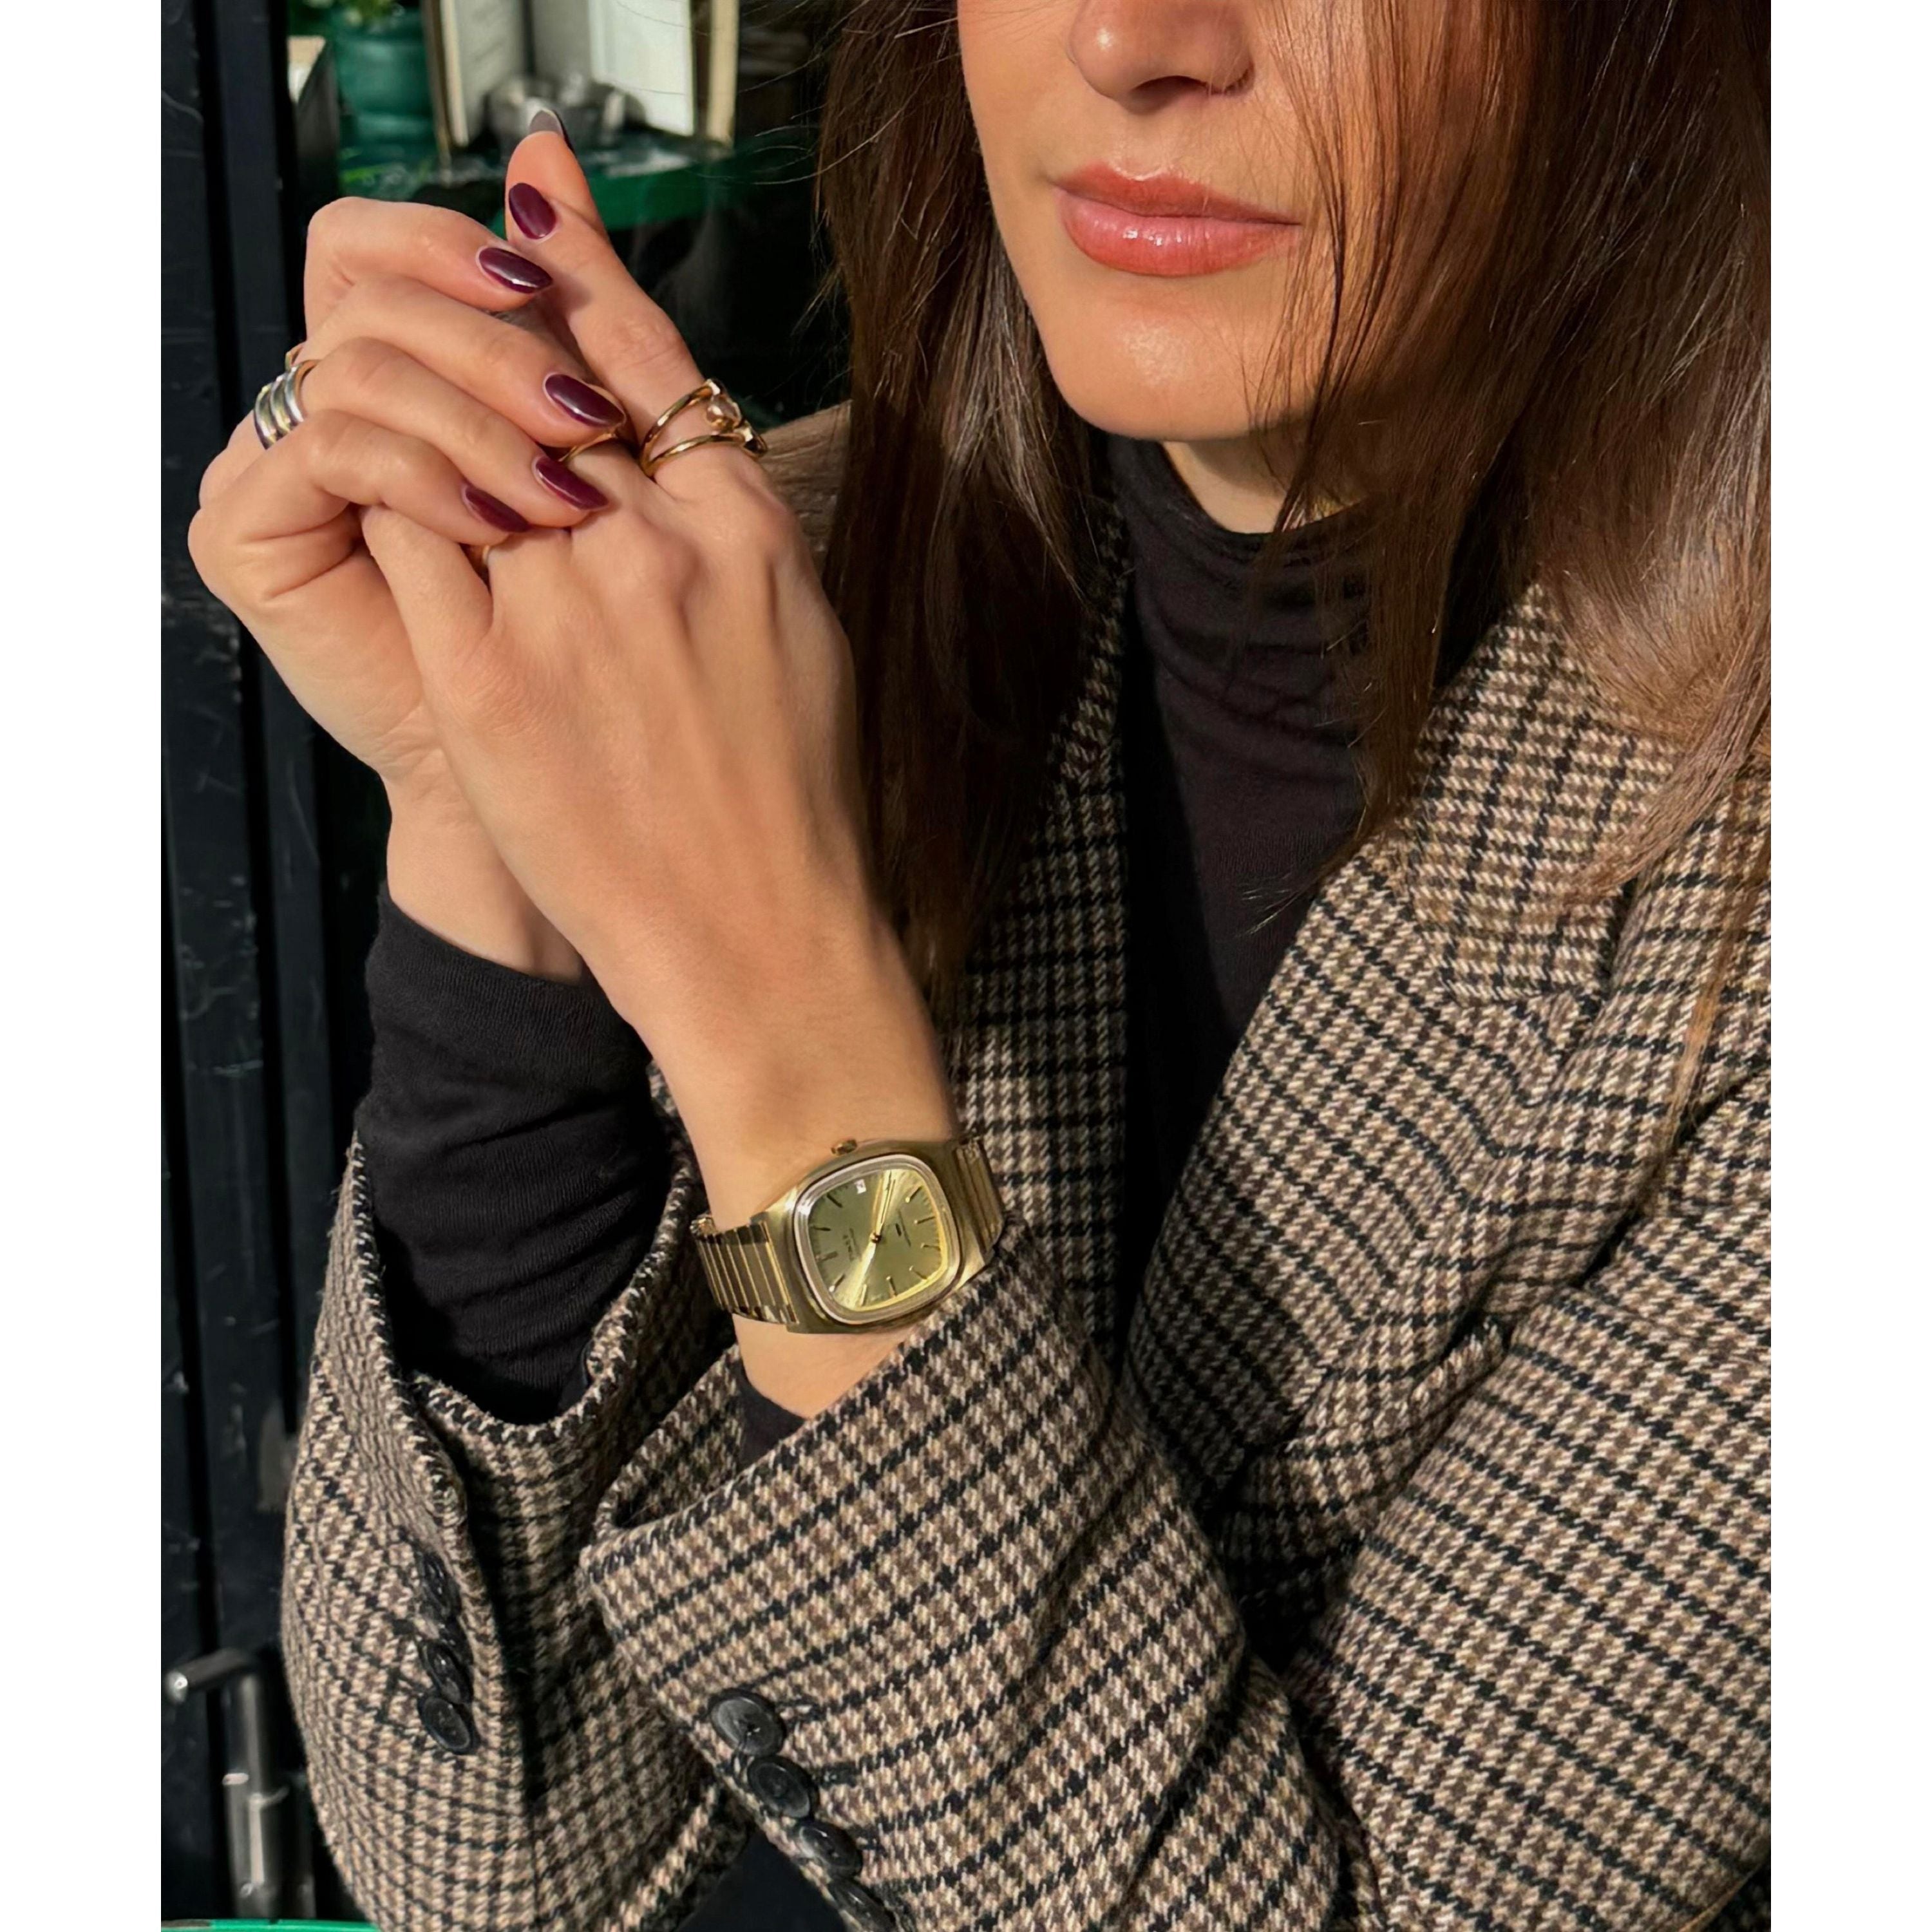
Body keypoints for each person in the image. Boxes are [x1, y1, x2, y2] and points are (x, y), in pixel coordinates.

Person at [186, 0, 1769, 1926]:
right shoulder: (772, 599)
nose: (1128, 40)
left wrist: (795, 1051)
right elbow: (490, 1859)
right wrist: (483, 817)